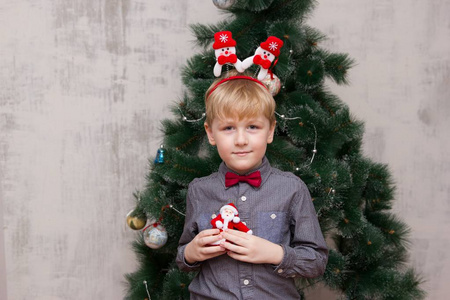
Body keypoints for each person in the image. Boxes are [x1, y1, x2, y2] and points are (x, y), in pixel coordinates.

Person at [176, 73, 328, 299]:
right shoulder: (199, 190)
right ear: (210, 133)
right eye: (228, 128)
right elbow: (183, 258)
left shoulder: (292, 189)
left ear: (270, 131)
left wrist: (275, 254)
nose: (240, 140)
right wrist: (191, 252)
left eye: (252, 127)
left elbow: (317, 262)